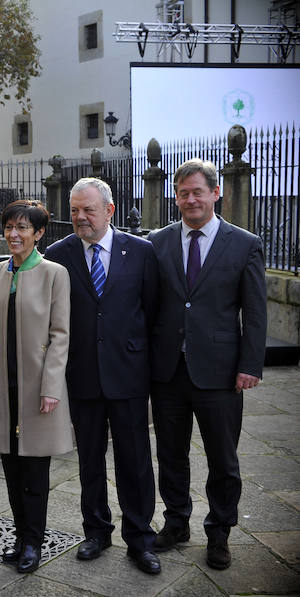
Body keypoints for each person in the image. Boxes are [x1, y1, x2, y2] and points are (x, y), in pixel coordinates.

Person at [147, 158, 266, 570]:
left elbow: (254, 312)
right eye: (183, 193)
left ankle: (219, 533)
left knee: (223, 458)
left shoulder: (244, 244)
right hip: (167, 371)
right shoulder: (157, 242)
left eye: (198, 191)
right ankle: (176, 522)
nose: (190, 199)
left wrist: (250, 364)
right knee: (171, 453)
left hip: (220, 371)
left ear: (217, 193)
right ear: (175, 197)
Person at [44, 178, 161, 575]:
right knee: (90, 460)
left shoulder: (142, 252)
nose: (79, 217)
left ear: (110, 211)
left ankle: (141, 538)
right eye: (74, 210)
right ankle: (95, 531)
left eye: (88, 210)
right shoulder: (58, 254)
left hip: (128, 373)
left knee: (135, 462)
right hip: (83, 375)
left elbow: (151, 312)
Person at [0, 200, 74, 574]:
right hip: (3, 388)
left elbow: (60, 334)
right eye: (9, 227)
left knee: (35, 472)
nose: (14, 234)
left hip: (36, 389)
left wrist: (51, 387)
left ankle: (34, 541)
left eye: (22, 228)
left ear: (38, 233)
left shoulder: (54, 274)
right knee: (12, 470)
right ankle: (19, 537)